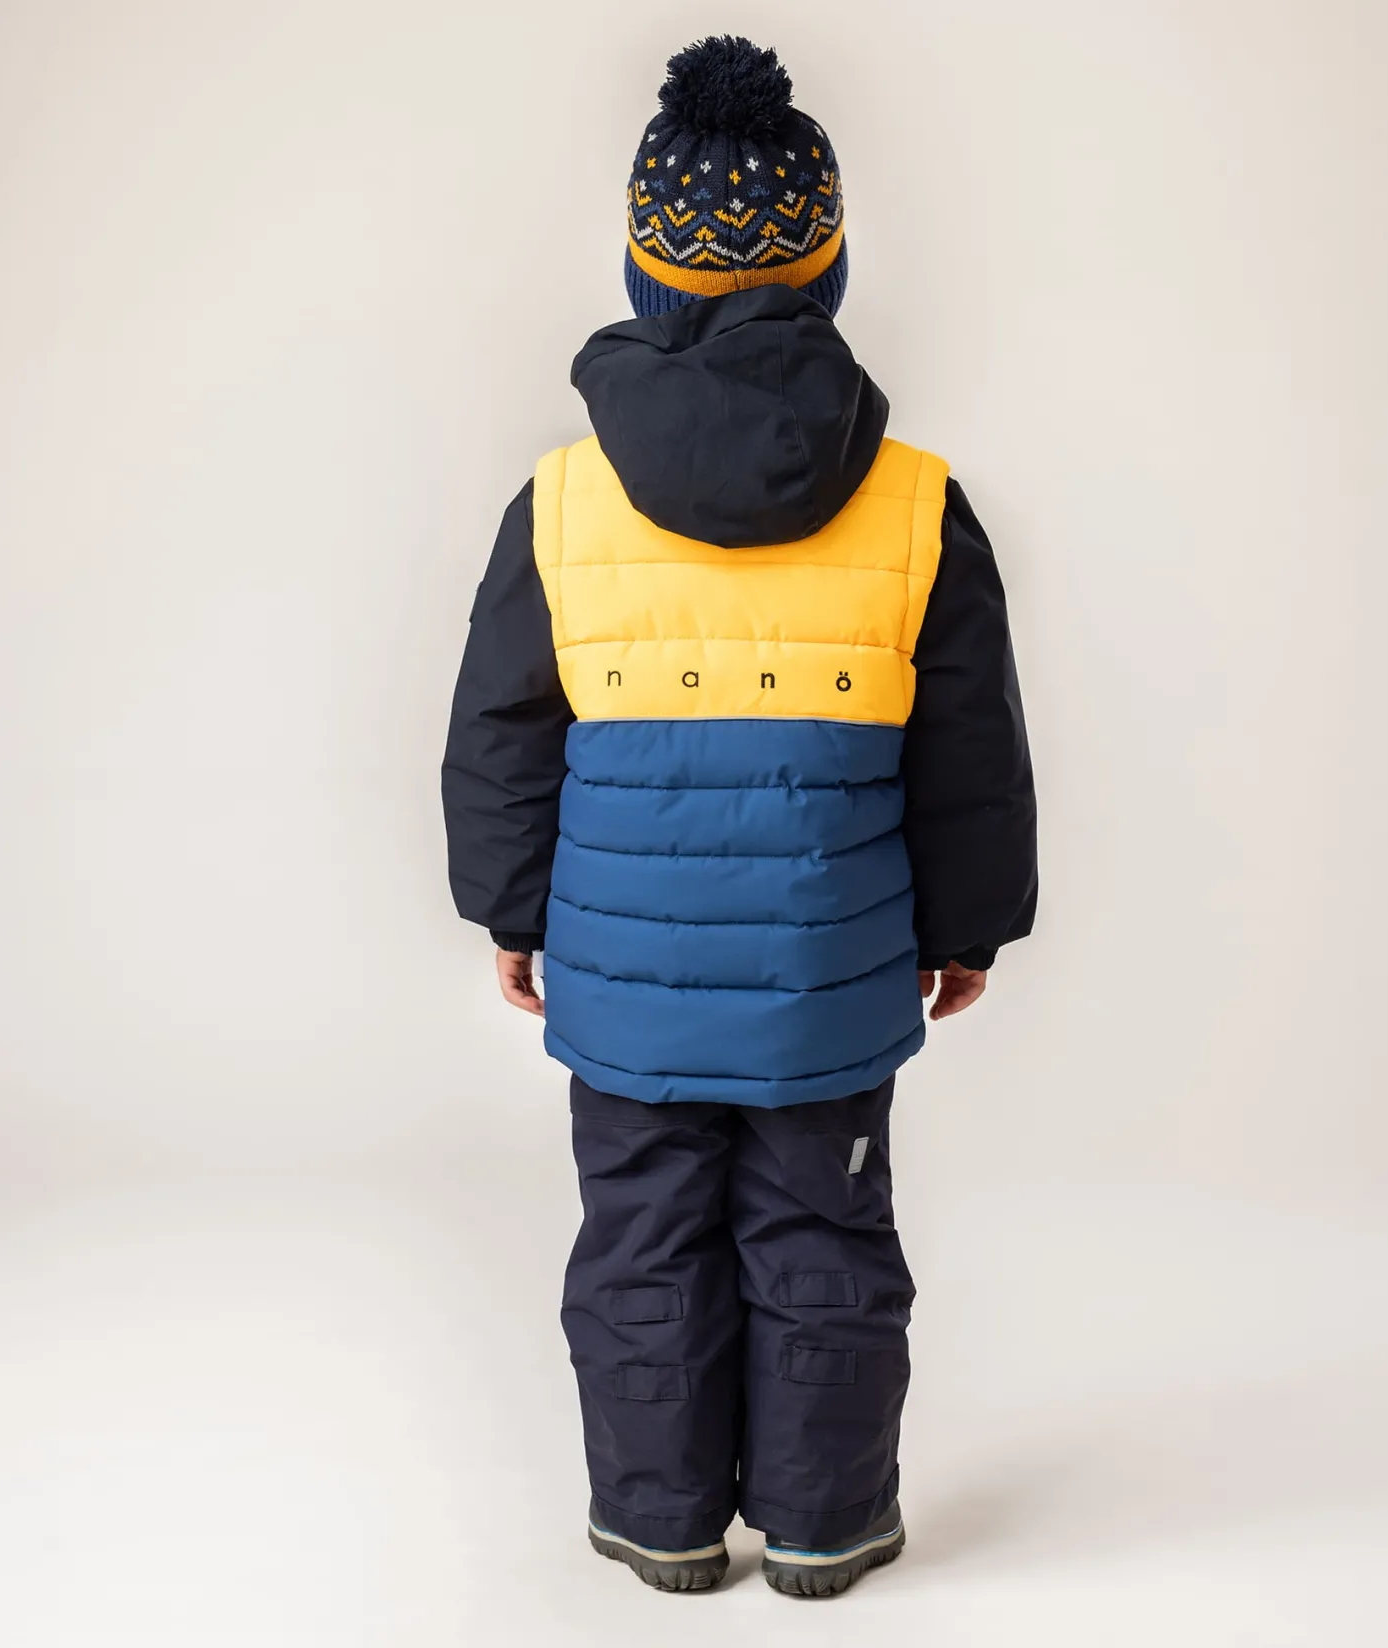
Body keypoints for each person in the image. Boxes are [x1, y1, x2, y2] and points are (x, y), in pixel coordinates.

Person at [441, 35, 1037, 1599]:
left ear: (647, 276)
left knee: (642, 1239)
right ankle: (827, 1525)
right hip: (826, 976)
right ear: (826, 272)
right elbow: (969, 750)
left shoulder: (561, 504)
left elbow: (501, 733)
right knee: (822, 1241)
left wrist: (511, 909)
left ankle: (660, 1521)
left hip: (625, 980)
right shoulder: (917, 502)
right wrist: (968, 927)